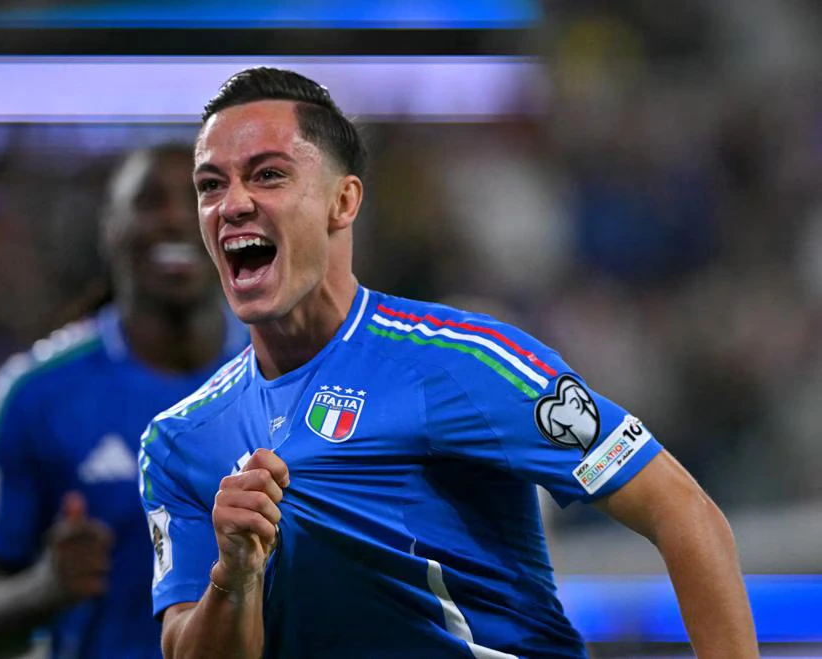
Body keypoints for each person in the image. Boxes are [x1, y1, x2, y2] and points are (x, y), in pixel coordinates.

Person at [138, 68, 759, 658]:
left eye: (268, 175)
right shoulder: (181, 441)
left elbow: (681, 510)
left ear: (343, 202)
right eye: (210, 185)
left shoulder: (463, 364)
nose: (232, 204)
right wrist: (233, 576)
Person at [0, 144, 248, 659]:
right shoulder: (37, 393)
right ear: (111, 228)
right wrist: (44, 587)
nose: (176, 217)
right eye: (151, 201)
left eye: (198, 196)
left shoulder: (291, 370)